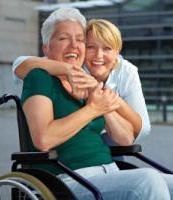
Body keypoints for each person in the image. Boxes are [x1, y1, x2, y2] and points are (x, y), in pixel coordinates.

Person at [20, 7, 173, 200]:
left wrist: (102, 102)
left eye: (80, 40)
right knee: (146, 181)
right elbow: (44, 139)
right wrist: (92, 109)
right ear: (46, 47)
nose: (74, 45)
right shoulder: (39, 77)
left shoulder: (87, 79)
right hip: (67, 179)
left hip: (110, 171)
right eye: (64, 38)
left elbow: (125, 139)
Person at [12, 24, 151, 145]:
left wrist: (106, 95)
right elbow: (20, 63)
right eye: (91, 47)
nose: (98, 55)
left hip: (109, 134)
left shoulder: (126, 71)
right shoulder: (75, 62)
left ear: (117, 53)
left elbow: (142, 129)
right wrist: (68, 69)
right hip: (74, 133)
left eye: (107, 48)